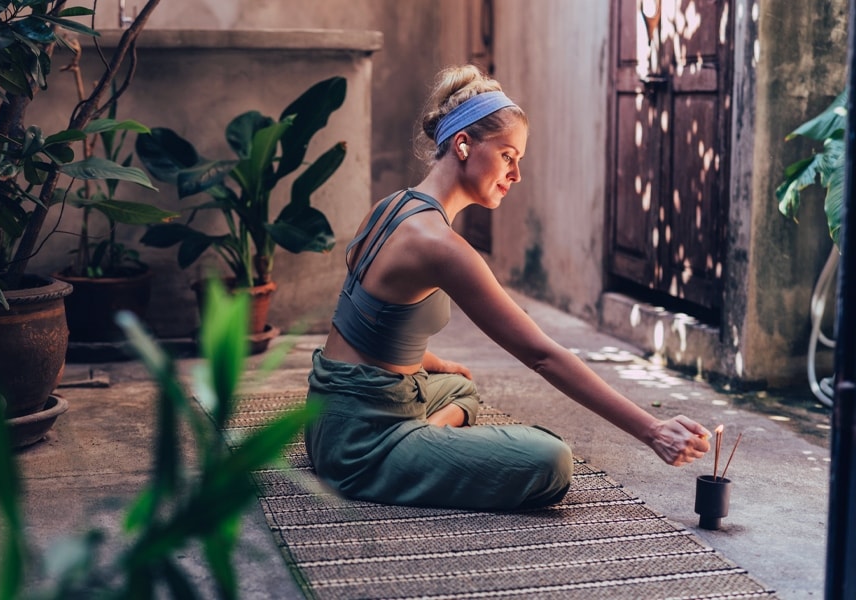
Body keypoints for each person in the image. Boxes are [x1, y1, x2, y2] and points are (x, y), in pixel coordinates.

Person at [305, 64, 711, 511]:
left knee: (461, 387)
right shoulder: (442, 247)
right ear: (463, 145)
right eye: (507, 156)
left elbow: (362, 317)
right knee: (550, 461)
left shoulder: (392, 207)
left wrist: (433, 362)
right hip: (360, 445)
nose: (515, 174)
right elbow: (542, 355)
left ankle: (420, 442)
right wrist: (652, 430)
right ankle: (406, 450)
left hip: (326, 412)